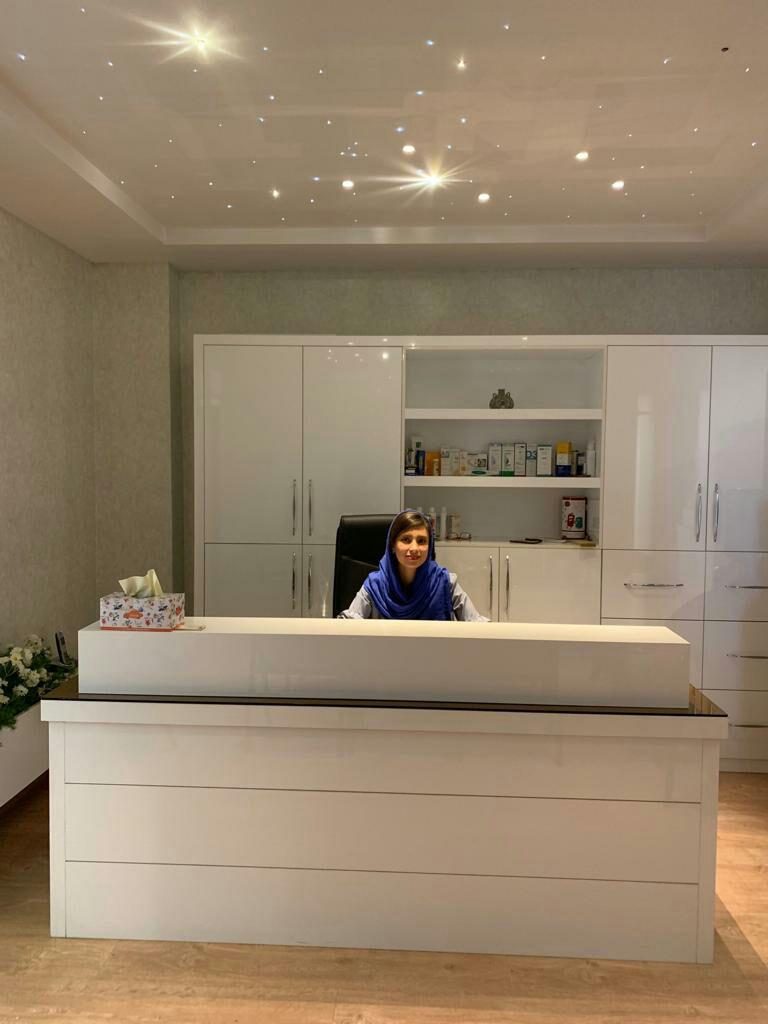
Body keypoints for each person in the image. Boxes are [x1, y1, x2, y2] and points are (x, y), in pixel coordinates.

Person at [338, 509, 488, 621]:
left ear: (430, 547)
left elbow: (477, 624)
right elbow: (348, 625)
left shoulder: (445, 582)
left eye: (421, 541)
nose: (414, 548)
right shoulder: (374, 585)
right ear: (392, 546)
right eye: (406, 540)